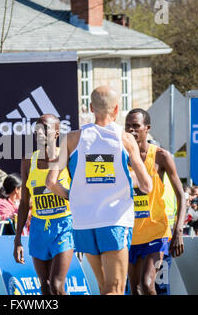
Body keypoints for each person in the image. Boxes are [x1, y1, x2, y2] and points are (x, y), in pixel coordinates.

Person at [46, 86, 152, 295]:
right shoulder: (125, 139)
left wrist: (71, 196)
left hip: (84, 221)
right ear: (116, 109)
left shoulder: (71, 138)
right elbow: (147, 185)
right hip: (114, 221)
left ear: (91, 107)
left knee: (104, 288)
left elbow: (51, 182)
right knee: (115, 290)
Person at [125, 108, 185, 295]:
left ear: (147, 128)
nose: (131, 131)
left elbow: (181, 195)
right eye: (128, 126)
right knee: (133, 289)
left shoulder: (161, 156)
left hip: (156, 233)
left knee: (147, 284)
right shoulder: (121, 157)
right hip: (130, 233)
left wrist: (178, 230)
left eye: (136, 126)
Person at [14, 114, 74, 295]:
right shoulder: (28, 161)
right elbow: (25, 202)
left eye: (45, 129)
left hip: (64, 224)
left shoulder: (68, 158)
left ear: (56, 133)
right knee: (45, 287)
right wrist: (17, 239)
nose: (40, 132)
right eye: (37, 129)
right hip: (39, 227)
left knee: (57, 285)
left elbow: (79, 193)